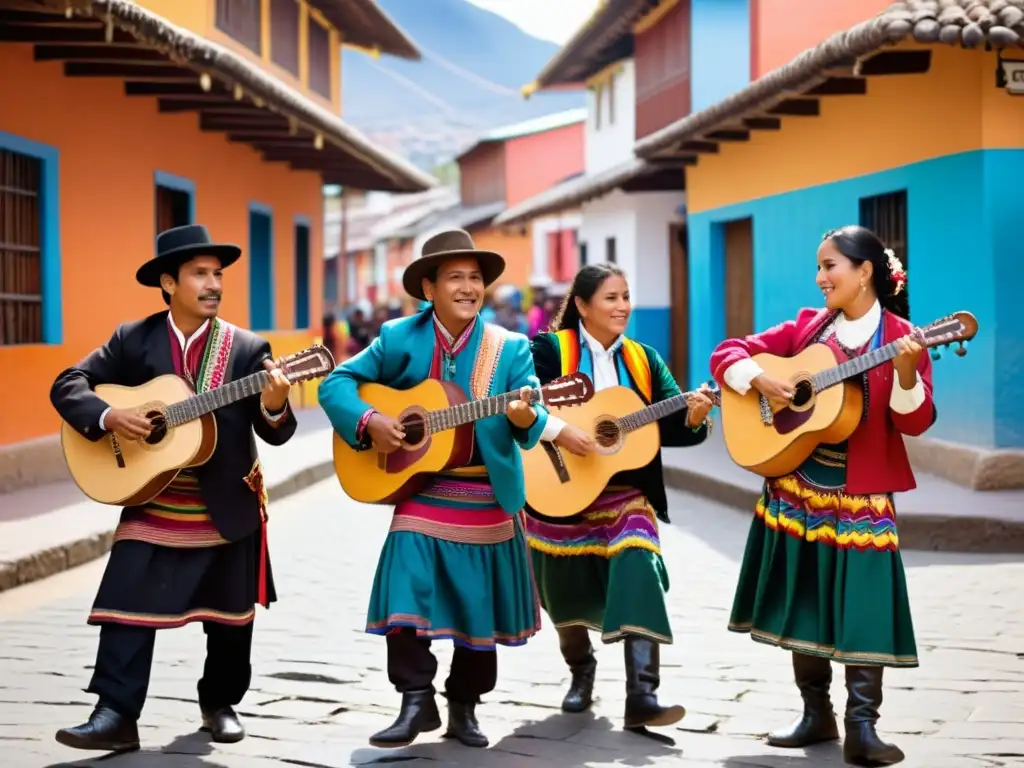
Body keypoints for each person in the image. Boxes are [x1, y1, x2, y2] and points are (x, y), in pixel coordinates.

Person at [49, 224, 297, 752]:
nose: (213, 284)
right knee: (122, 602)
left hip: (225, 501)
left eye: (218, 274)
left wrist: (274, 402)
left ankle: (220, 703)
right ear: (168, 282)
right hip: (151, 497)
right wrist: (110, 414)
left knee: (231, 620)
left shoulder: (248, 348)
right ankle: (115, 713)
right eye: (200, 274)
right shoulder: (132, 339)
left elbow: (277, 430)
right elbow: (68, 383)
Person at [709, 225, 932, 767]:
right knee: (803, 595)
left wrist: (905, 372)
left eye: (829, 266)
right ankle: (816, 714)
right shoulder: (810, 329)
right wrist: (759, 379)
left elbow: (916, 421)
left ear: (864, 272)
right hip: (797, 485)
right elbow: (727, 352)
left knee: (865, 606)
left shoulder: (903, 336)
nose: (819, 277)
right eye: (819, 266)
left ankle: (862, 724)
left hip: (862, 493)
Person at [318, 229, 549, 750]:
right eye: (456, 278)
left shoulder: (509, 348)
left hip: (485, 491)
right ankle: (415, 698)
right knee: (406, 583)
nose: (469, 288)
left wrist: (525, 414)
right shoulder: (398, 337)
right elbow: (335, 383)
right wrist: (371, 419)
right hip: (421, 491)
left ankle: (464, 707)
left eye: (476, 279)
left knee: (477, 605)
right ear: (429, 287)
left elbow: (535, 421)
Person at [526, 263, 714, 733]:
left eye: (627, 296)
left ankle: (643, 695)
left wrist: (694, 415)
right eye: (611, 298)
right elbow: (522, 410)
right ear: (583, 305)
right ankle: (581, 669)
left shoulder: (644, 358)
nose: (623, 306)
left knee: (638, 566)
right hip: (559, 484)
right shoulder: (548, 351)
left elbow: (673, 428)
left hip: (626, 492)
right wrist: (563, 431)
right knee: (559, 589)